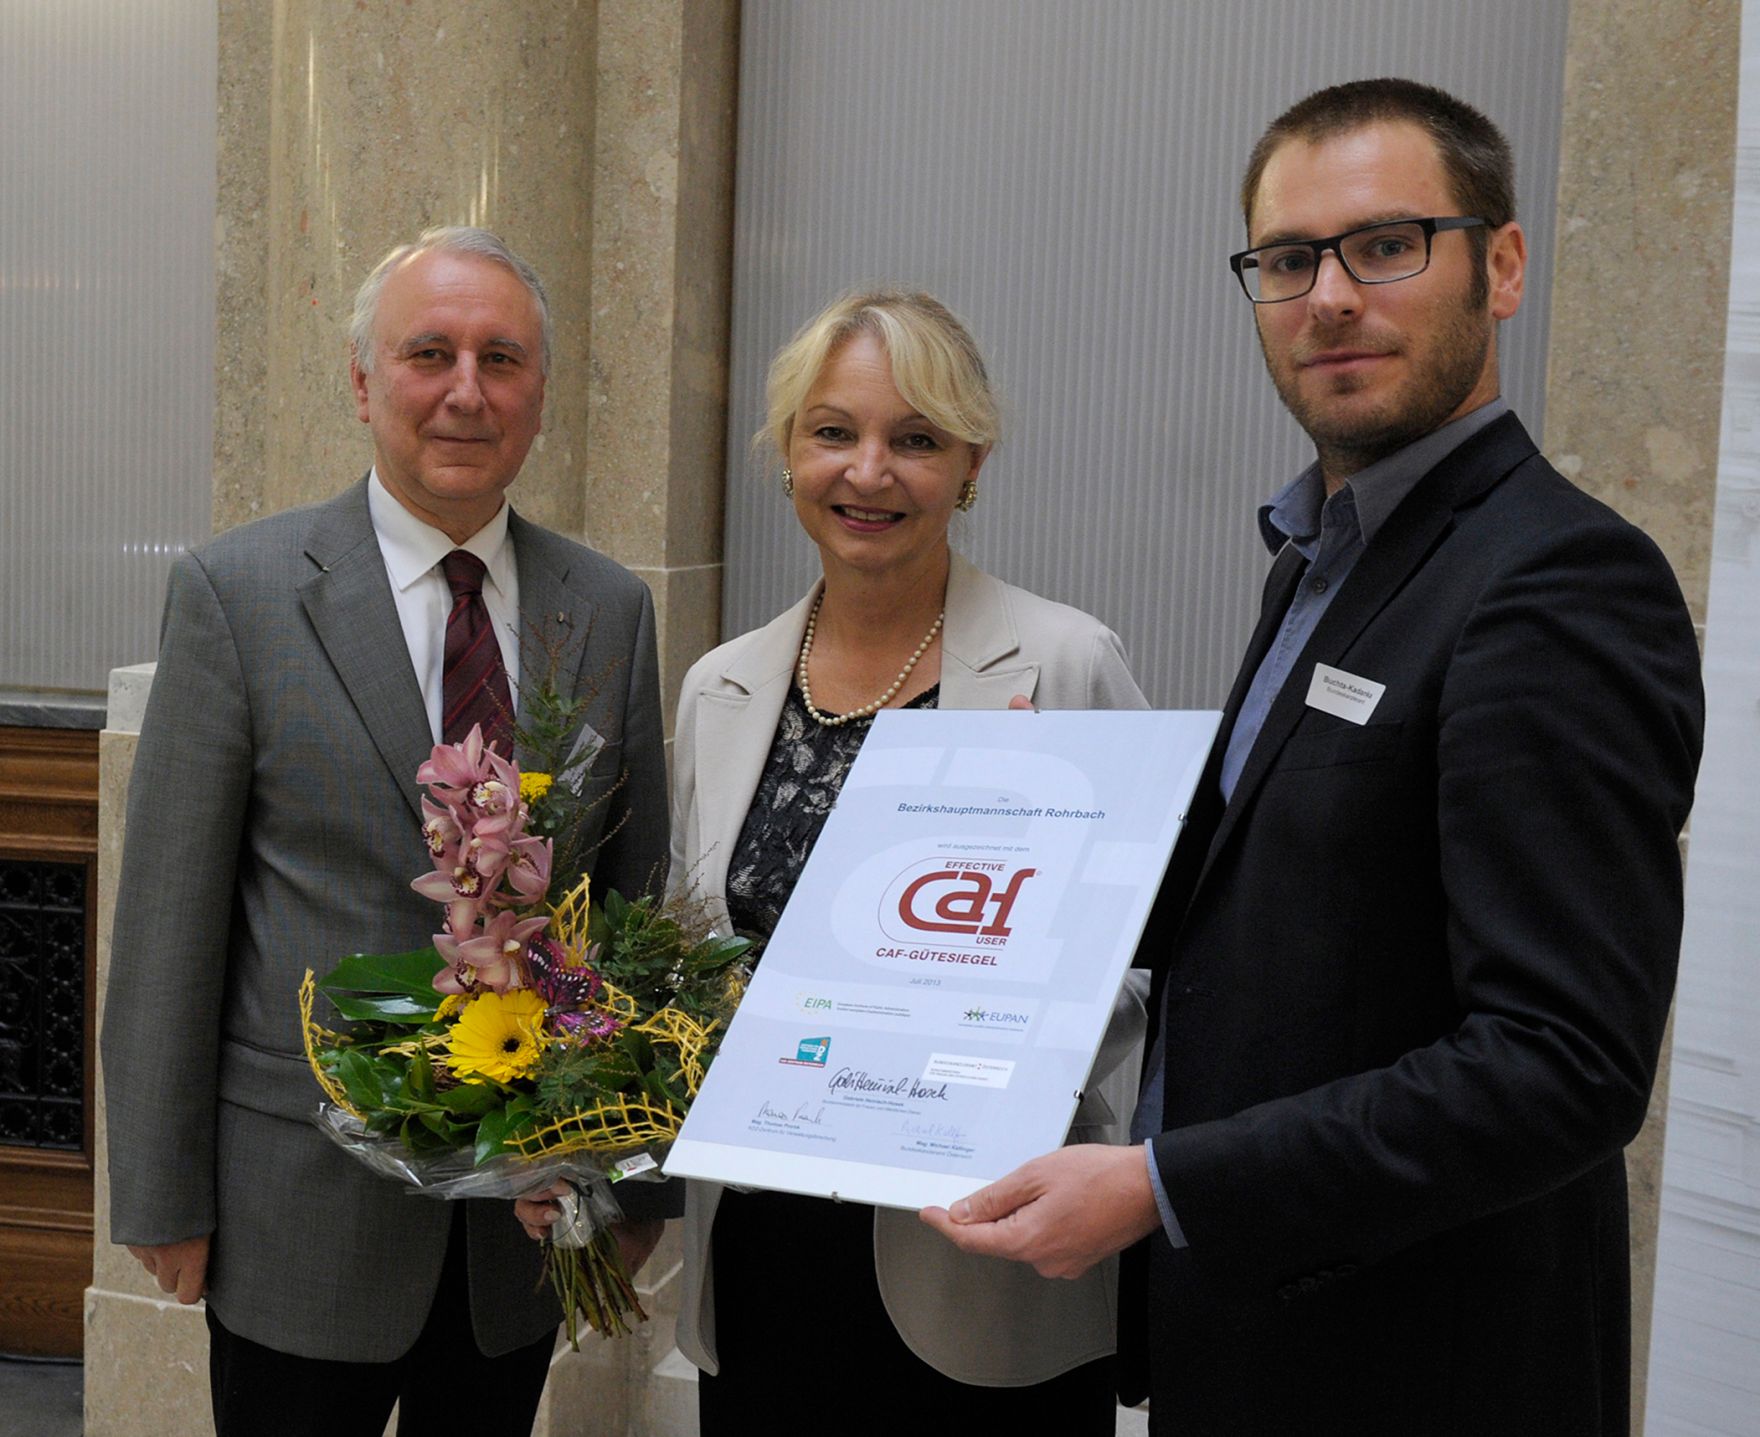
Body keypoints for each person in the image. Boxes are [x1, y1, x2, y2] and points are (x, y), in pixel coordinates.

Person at [922, 79, 1706, 1435]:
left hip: (1419, 1363)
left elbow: (1559, 1063)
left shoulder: (1560, 581)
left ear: (1502, 264)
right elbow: (1298, 893)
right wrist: (1059, 829)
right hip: (1261, 1337)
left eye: (1386, 244)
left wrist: (1163, 1185)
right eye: (1288, 260)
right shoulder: (1326, 556)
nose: (1331, 296)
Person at [523, 290, 1148, 1429]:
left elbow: (1145, 967)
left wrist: (997, 1068)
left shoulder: (1059, 664)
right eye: (833, 432)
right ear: (786, 455)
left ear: (970, 465)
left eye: (915, 440)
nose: (870, 471)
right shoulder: (721, 687)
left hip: (979, 1260)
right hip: (765, 1255)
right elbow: (684, 965)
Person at [101, 227, 670, 1437]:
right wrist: (160, 1193)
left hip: (517, 1226)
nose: (467, 390)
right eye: (429, 354)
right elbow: (167, 927)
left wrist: (629, 1183)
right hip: (297, 1212)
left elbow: (632, 907)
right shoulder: (239, 595)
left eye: (501, 358)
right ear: (365, 384)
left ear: (539, 395)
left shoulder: (607, 610)